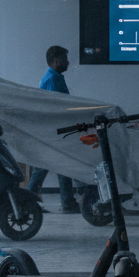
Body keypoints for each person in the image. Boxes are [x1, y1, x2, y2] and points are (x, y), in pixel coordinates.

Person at [25, 45, 80, 213]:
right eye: (65, 58)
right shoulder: (53, 79)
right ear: (56, 61)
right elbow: (57, 108)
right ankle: (27, 202)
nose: (68, 62)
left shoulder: (54, 77)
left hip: (54, 131)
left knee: (58, 166)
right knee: (48, 167)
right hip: (54, 132)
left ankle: (66, 202)